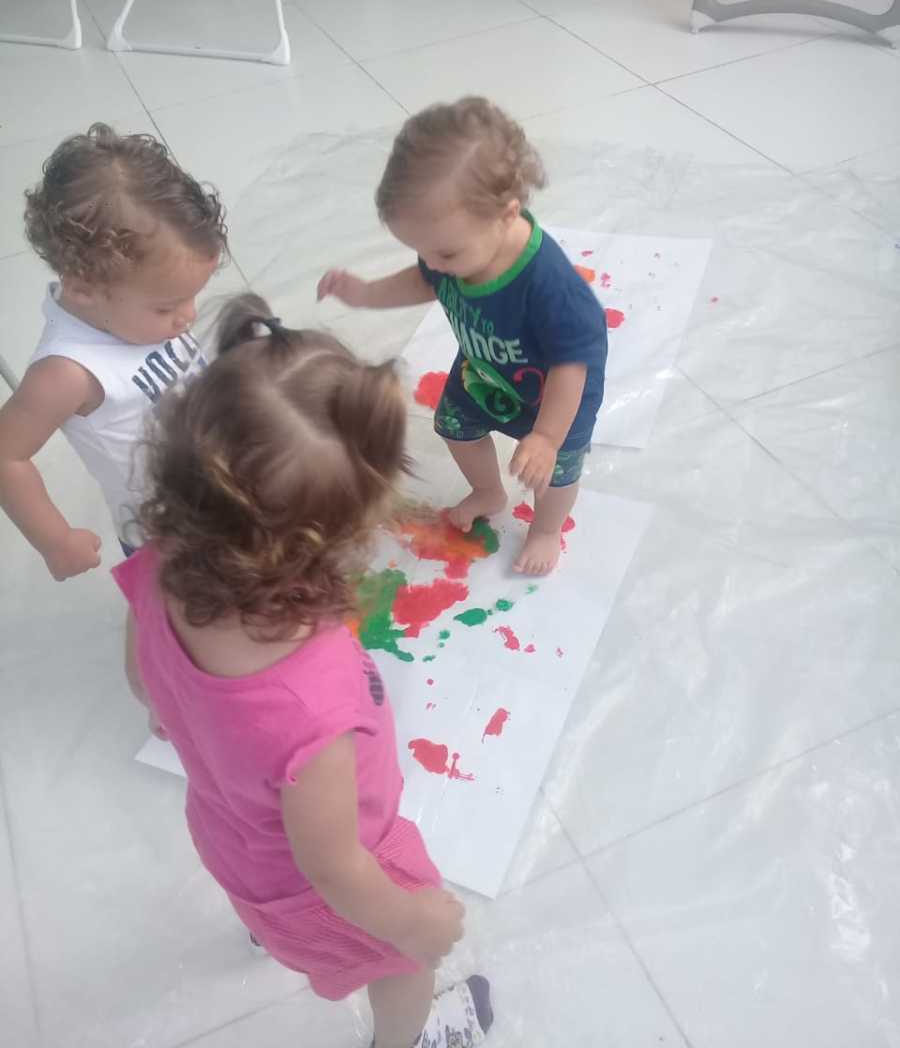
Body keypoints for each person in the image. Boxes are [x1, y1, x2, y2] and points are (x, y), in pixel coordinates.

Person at [114, 294, 493, 1048]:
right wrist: (416, 922)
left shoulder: (162, 565)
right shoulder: (310, 707)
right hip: (325, 883)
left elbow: (142, 679)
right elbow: (336, 868)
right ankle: (406, 1040)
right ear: (340, 533)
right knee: (402, 968)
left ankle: (271, 935)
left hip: (229, 834)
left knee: (288, 895)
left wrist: (190, 719)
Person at [318, 96, 608, 576]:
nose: (434, 264)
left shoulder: (550, 286)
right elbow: (422, 281)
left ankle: (545, 528)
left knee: (554, 475)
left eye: (446, 255)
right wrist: (365, 294)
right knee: (455, 427)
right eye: (422, 250)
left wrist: (546, 437)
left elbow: (570, 367)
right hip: (485, 368)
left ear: (507, 215)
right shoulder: (449, 247)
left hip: (557, 395)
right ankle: (488, 491)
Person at [0, 123, 225, 578]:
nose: (188, 316)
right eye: (166, 306)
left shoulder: (129, 310)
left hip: (218, 484)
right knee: (188, 609)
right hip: (166, 532)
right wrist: (56, 541)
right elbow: (6, 455)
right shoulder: (68, 372)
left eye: (191, 297)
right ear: (83, 289)